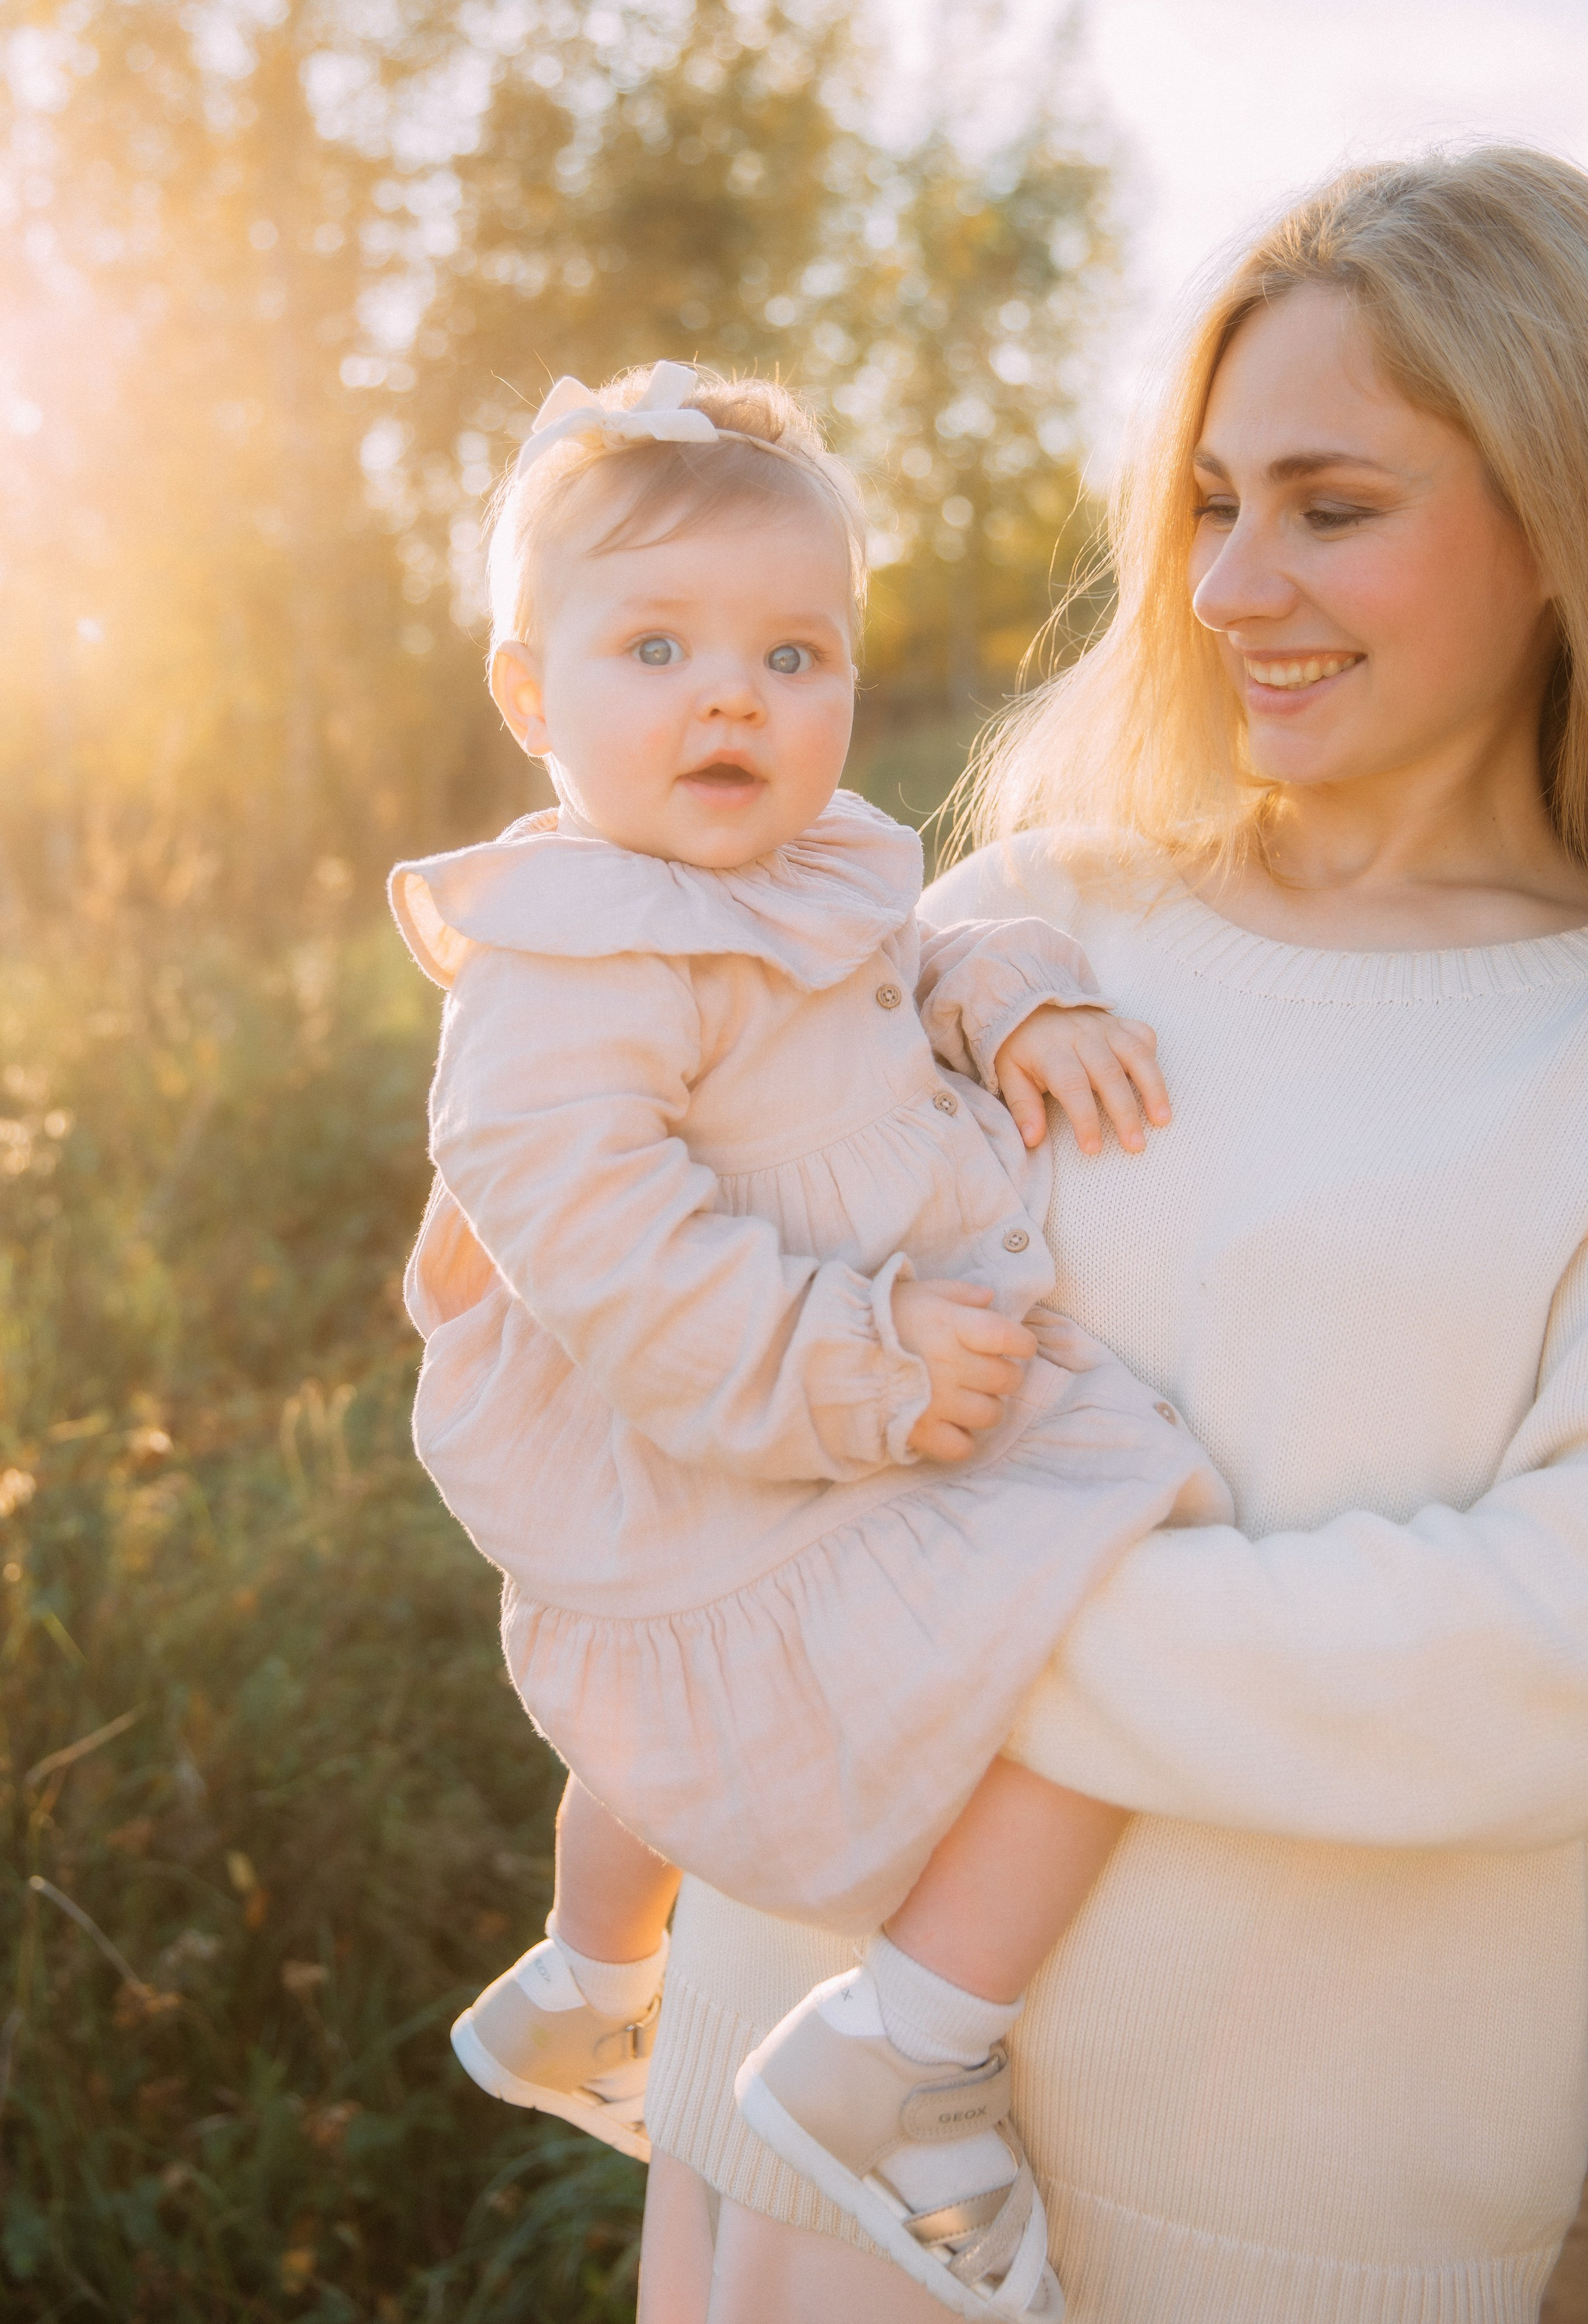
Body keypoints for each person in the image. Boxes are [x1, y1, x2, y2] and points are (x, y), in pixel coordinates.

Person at [636, 145, 1588, 2324]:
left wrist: (931, 1610)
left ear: (1558, 520)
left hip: (1301, 2220)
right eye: (1212, 503)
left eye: (1334, 507)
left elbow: (1547, 1651)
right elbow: (678, 1373)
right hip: (796, 2117)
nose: (1235, 584)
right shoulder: (1029, 925)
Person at [388, 363, 1228, 2317]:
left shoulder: (803, 870)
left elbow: (901, 966)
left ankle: (590, 1978)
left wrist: (1013, 999)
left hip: (762, 1401)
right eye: (656, 648)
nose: (733, 700)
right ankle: (911, 2043)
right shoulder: (557, 970)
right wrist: (865, 1369)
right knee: (1124, 1556)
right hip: (738, 1396)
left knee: (684, 1691)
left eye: (794, 654)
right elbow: (617, 1259)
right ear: (529, 696)